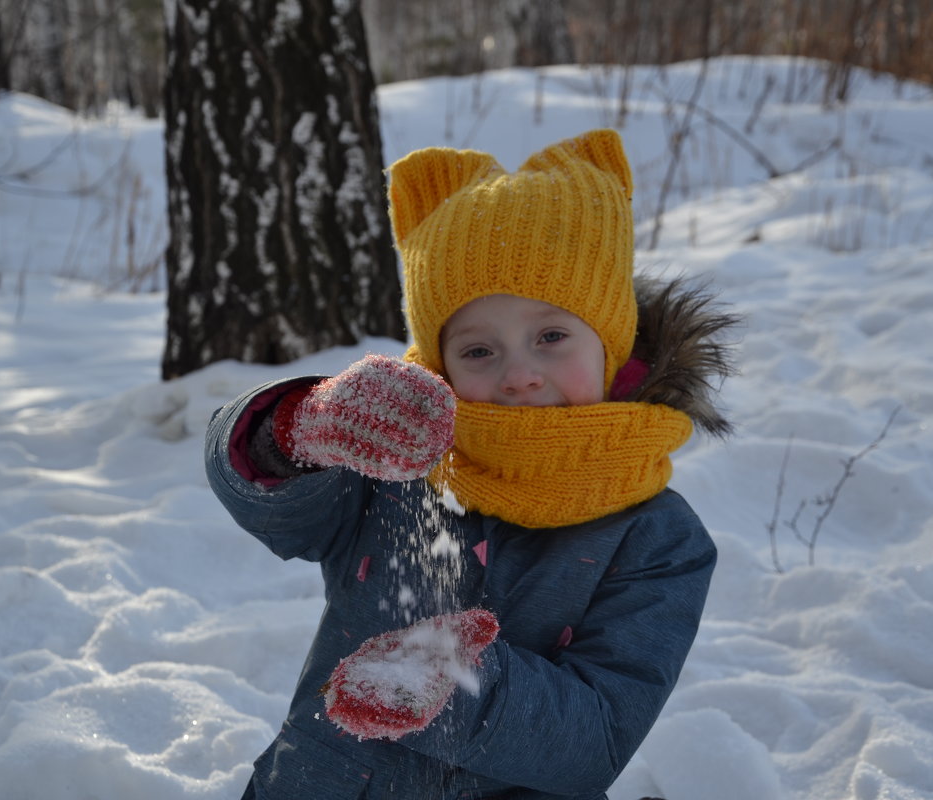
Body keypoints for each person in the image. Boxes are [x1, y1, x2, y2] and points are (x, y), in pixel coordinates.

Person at [205, 129, 736, 799]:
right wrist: (296, 430)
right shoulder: (400, 468)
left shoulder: (659, 538)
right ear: (441, 365)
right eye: (480, 351)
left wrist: (456, 682)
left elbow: (597, 739)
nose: (519, 374)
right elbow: (272, 508)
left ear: (612, 343)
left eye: (550, 336)